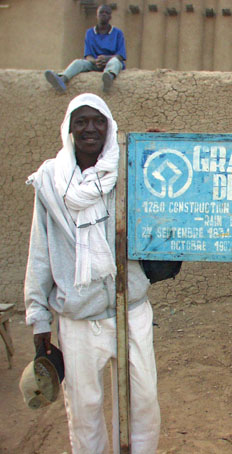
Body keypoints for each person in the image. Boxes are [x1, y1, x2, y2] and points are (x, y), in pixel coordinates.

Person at [24, 93, 160, 454]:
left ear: (109, 126)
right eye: (81, 121)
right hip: (79, 317)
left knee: (143, 400)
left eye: (98, 120)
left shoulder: (128, 169)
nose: (90, 128)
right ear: (69, 128)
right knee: (85, 408)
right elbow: (40, 252)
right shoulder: (50, 182)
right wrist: (39, 319)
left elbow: (165, 189)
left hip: (130, 309)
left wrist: (157, 148)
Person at [44, 5, 126, 93]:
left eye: (107, 13)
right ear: (97, 15)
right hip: (95, 64)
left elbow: (120, 55)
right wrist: (96, 61)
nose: (104, 14)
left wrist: (106, 59)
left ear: (110, 17)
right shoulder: (90, 33)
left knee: (115, 62)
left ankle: (108, 78)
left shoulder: (118, 33)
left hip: (110, 63)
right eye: (101, 12)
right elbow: (88, 56)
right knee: (78, 62)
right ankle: (62, 79)